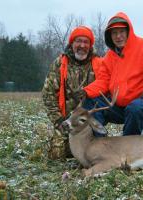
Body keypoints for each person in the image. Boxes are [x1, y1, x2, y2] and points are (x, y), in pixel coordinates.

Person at [78, 12, 143, 136]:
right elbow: (103, 82)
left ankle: (127, 150)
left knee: (135, 108)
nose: (118, 36)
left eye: (121, 32)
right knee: (91, 103)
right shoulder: (109, 58)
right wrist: (86, 92)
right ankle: (98, 146)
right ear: (110, 36)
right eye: (114, 33)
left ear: (128, 31)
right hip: (121, 109)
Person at [42, 26, 102, 159]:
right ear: (72, 43)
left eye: (86, 42)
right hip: (65, 120)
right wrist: (58, 120)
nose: (82, 45)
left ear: (90, 45)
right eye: (78, 41)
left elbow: (105, 91)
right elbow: (48, 95)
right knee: (58, 155)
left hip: (88, 121)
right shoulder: (60, 63)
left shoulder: (99, 64)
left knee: (94, 154)